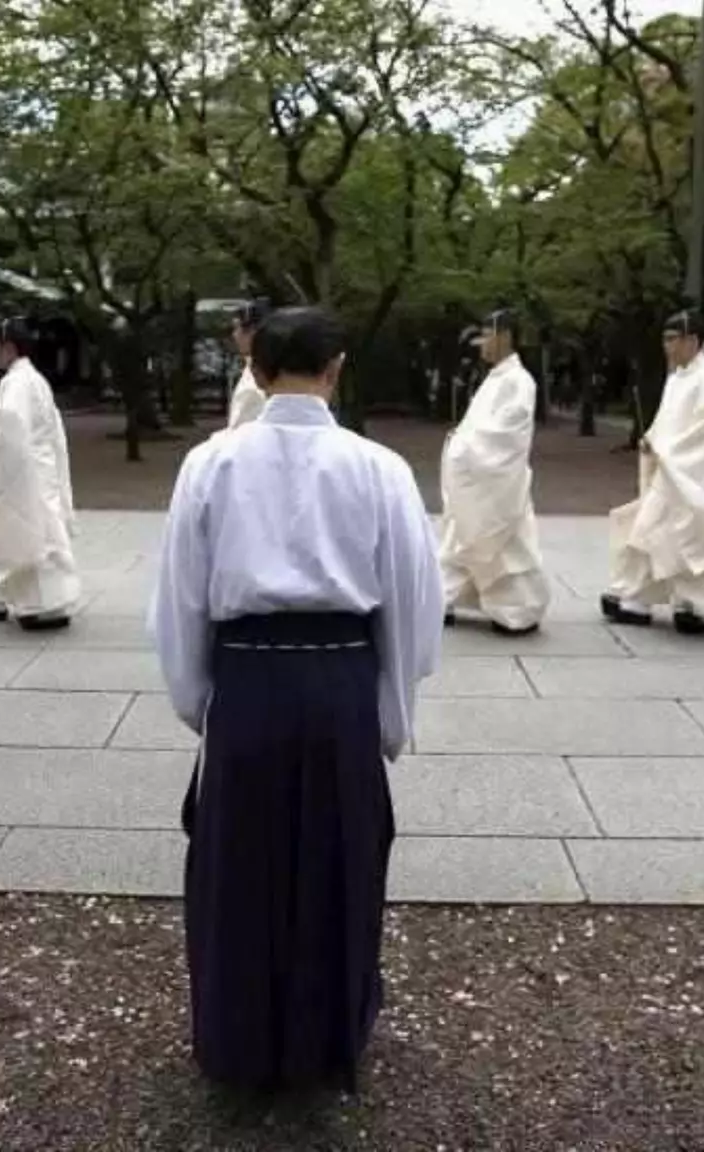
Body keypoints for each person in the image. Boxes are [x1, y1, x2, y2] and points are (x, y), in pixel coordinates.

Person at [149, 305, 443, 1093]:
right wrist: (390, 712)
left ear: (253, 366)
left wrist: (200, 702)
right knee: (340, 860)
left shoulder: (210, 464)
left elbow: (178, 601)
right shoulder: (378, 469)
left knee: (238, 866)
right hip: (341, 679)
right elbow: (415, 602)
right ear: (337, 367)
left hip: (247, 681)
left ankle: (240, 1041)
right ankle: (326, 1040)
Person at [601, 309, 704, 633]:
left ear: (692, 340)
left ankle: (703, 607)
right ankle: (638, 598)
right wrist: (651, 439)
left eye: (672, 339)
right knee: (651, 532)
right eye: (665, 339)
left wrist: (669, 452)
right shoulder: (677, 378)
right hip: (671, 471)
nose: (667, 346)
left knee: (691, 538)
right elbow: (666, 422)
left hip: (694, 476)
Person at [436, 308, 550, 635]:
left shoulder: (518, 381)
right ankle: (448, 597)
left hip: (496, 481)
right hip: (478, 477)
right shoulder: (498, 377)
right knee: (463, 538)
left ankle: (516, 610)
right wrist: (462, 441)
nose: (481, 343)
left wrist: (462, 446)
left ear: (506, 337)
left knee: (493, 542)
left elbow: (505, 435)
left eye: (487, 335)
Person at [0, 316, 78, 630]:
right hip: (42, 469)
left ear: (8, 347)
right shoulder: (33, 379)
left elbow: (10, 434)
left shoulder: (16, 383)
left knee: (25, 532)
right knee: (32, 531)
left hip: (26, 470)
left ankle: (40, 605)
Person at [225, 297, 270, 429]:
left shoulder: (254, 385)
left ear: (253, 332)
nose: (234, 335)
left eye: (237, 328)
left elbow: (238, 432)